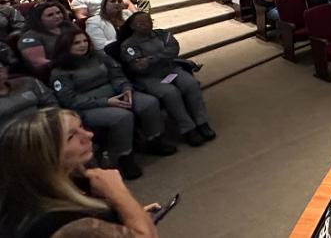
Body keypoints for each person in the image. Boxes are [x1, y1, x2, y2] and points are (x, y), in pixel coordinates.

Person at [0, 108, 160, 238]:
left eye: (81, 127)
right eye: (71, 136)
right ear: (43, 158)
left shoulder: (25, 201)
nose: (88, 135)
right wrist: (120, 195)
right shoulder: (63, 223)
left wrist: (131, 215)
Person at [50, 30, 175, 180]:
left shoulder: (100, 57)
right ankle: (124, 157)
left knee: (149, 103)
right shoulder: (59, 72)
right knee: (122, 117)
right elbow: (70, 100)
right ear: (65, 46)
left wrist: (126, 88)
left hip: (116, 93)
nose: (83, 45)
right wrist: (106, 102)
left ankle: (154, 140)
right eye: (76, 43)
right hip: (89, 106)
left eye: (85, 41)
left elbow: (117, 75)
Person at [117, 12, 214, 147]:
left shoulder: (162, 34)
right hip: (149, 77)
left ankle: (201, 122)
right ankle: (187, 128)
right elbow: (138, 66)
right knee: (170, 93)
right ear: (132, 26)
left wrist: (151, 59)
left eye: (149, 21)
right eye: (141, 23)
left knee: (191, 84)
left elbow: (173, 49)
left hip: (170, 70)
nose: (147, 25)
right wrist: (160, 57)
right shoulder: (128, 45)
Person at [17, 2, 77, 78]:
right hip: (59, 71)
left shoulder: (69, 26)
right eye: (50, 15)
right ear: (38, 19)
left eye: (58, 13)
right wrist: (68, 64)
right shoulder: (30, 36)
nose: (57, 16)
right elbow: (39, 62)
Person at [0, 57, 57, 130]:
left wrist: (50, 122)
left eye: (1, 67)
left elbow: (51, 103)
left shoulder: (28, 82)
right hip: (12, 137)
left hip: (44, 127)